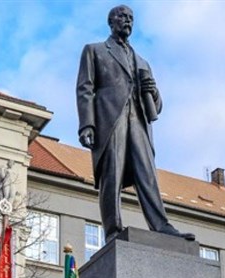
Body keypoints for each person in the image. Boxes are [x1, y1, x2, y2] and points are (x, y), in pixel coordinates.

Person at [76, 5, 194, 242]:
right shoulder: (95, 51)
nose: (127, 21)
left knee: (147, 173)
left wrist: (154, 93)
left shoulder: (142, 62)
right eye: (122, 17)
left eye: (131, 18)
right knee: (113, 173)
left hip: (138, 121)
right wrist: (87, 124)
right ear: (111, 21)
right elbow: (85, 88)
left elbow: (156, 106)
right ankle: (112, 229)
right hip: (111, 119)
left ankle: (161, 225)